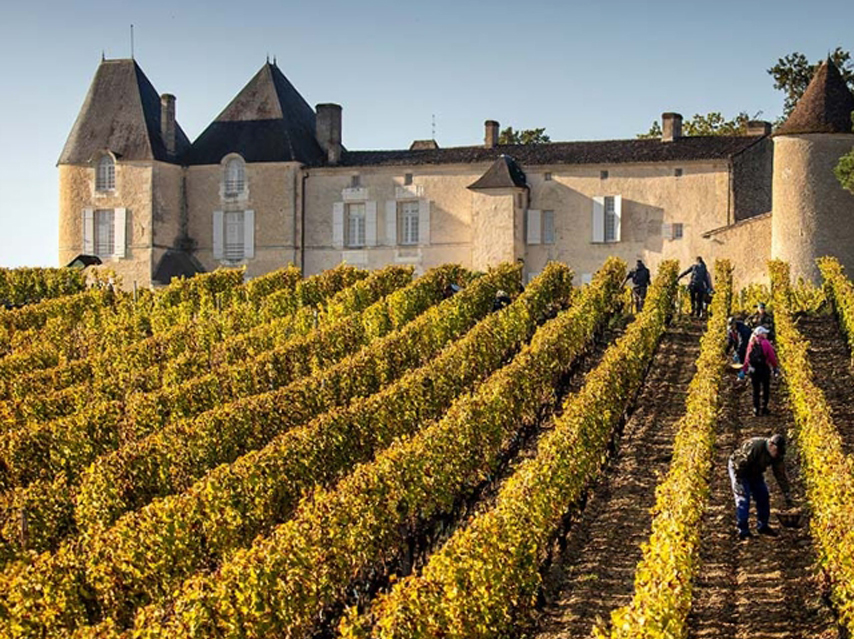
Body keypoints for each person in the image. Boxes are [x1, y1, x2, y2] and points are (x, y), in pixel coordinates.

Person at [728, 433, 793, 540]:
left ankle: (763, 526)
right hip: (740, 470)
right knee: (743, 499)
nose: (777, 454)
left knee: (763, 496)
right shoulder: (754, 447)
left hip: (755, 471)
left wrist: (786, 493)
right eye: (777, 451)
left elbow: (780, 475)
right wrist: (738, 482)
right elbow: (738, 465)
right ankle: (743, 531)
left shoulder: (777, 455)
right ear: (771, 445)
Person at [740, 326, 779, 416]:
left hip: (753, 370)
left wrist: (744, 370)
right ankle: (764, 408)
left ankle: (756, 409)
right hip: (764, 368)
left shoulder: (751, 342)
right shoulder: (766, 343)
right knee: (765, 388)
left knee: (755, 389)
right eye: (765, 333)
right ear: (761, 334)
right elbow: (772, 357)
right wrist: (775, 367)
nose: (766, 334)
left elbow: (747, 358)